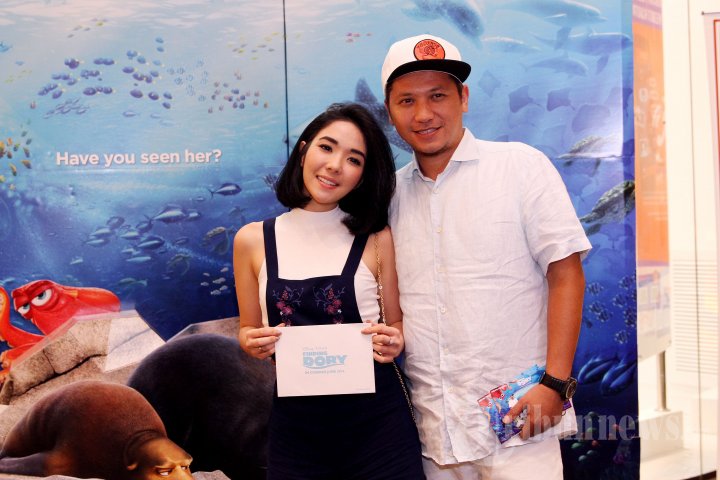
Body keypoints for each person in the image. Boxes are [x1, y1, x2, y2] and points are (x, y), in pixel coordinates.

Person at [381, 34, 592, 479]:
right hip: (434, 430)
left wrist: (555, 383)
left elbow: (566, 273)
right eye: (407, 101)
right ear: (390, 112)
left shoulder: (520, 166)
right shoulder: (389, 195)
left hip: (519, 421)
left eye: (438, 95)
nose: (423, 114)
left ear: (464, 97)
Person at [233, 102, 424, 480]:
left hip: (380, 428)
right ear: (304, 150)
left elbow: (396, 322)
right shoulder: (252, 240)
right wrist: (251, 342)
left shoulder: (376, 237)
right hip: (296, 431)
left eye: (353, 159)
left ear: (363, 175)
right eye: (326, 147)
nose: (335, 165)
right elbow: (246, 329)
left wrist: (394, 340)